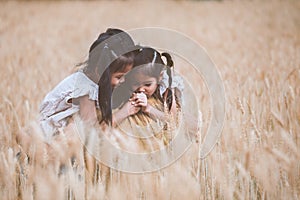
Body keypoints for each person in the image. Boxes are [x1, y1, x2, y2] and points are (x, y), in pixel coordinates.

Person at [39, 28, 136, 141]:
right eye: (119, 77)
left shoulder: (93, 79)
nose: (123, 80)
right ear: (99, 70)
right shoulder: (85, 91)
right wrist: (125, 112)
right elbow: (93, 131)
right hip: (48, 142)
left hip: (56, 139)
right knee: (76, 130)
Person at [111, 47, 184, 149]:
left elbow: (174, 121)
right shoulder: (124, 89)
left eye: (148, 84)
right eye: (135, 84)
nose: (141, 89)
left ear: (160, 77)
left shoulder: (167, 89)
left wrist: (148, 109)